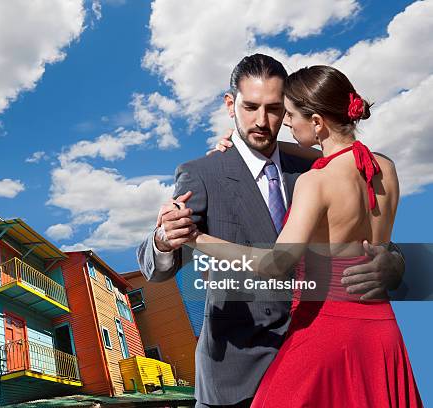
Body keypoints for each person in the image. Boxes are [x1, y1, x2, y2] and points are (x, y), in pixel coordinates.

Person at [137, 54, 405, 408]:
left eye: (278, 110)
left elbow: (364, 241)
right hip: (237, 374)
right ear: (230, 104)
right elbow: (154, 267)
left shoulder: (312, 168)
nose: (263, 121)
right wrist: (164, 238)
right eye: (250, 107)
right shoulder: (203, 172)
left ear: (306, 116)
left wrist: (394, 263)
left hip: (327, 358)